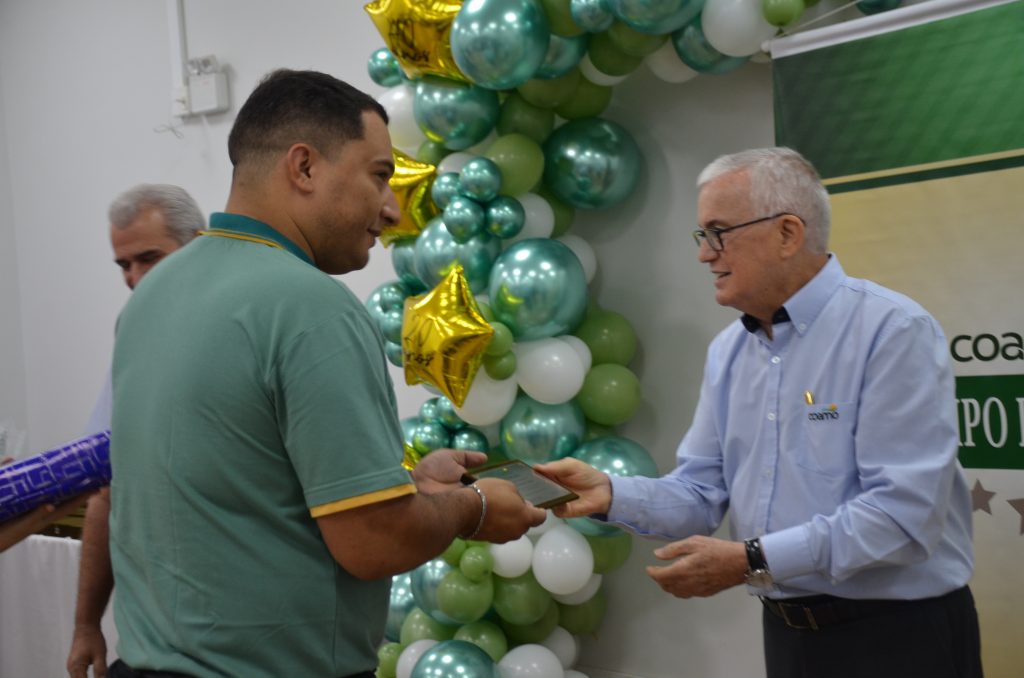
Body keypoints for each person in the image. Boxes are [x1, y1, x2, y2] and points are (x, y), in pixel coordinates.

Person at [94, 69, 545, 678]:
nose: (390, 209)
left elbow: (244, 485)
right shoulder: (312, 308)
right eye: (379, 175)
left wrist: (411, 487)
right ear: (303, 167)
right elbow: (374, 541)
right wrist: (475, 510)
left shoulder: (151, 297)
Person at [539, 147, 981, 678]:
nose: (705, 254)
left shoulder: (891, 331)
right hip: (788, 636)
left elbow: (902, 518)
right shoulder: (728, 351)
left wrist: (751, 559)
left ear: (788, 233)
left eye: (718, 232)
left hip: (899, 638)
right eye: (702, 236)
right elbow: (700, 494)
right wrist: (610, 493)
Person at [68, 184, 205, 677]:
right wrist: (86, 624)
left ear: (200, 243)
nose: (134, 278)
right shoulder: (132, 334)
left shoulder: (250, 325)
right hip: (153, 643)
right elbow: (107, 488)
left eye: (148, 259)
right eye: (124, 265)